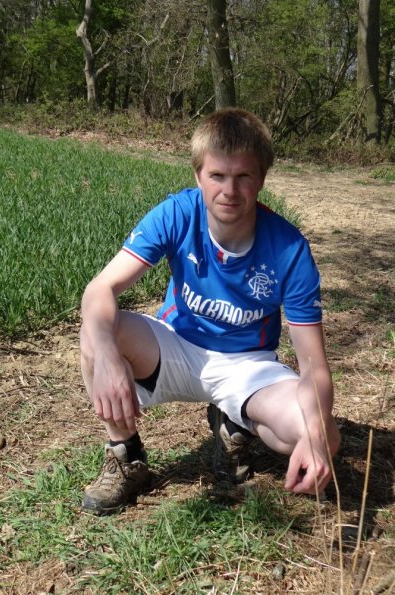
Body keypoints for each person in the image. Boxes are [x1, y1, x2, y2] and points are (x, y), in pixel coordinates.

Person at [80, 108, 341, 515]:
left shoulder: (290, 249)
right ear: (198, 176)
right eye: (217, 176)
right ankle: (125, 455)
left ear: (262, 179)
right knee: (98, 329)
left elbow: (315, 368)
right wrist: (109, 357)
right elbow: (99, 290)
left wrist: (317, 435)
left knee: (317, 433)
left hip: (247, 366)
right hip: (175, 348)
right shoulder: (177, 214)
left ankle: (234, 423)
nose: (229, 191)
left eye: (243, 177)